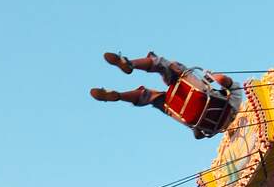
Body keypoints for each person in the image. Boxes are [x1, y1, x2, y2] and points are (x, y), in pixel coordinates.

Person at [93, 51, 244, 139]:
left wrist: (211, 75)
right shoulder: (227, 114)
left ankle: (129, 66)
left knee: (165, 65)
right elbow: (198, 135)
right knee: (155, 96)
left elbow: (223, 80)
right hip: (194, 116)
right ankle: (119, 94)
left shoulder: (234, 100)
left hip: (196, 101)